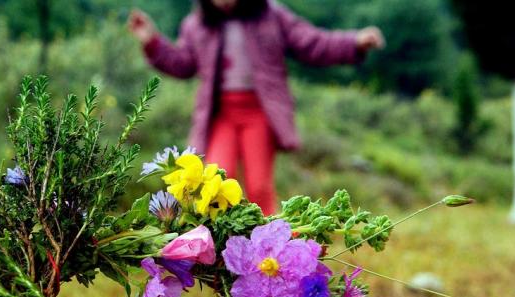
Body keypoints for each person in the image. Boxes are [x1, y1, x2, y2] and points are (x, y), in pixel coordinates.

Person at [128, 0, 384, 214]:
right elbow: (183, 63)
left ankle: (264, 249)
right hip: (220, 114)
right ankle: (218, 252)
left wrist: (354, 42)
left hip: (259, 112)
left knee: (259, 186)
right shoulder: (197, 25)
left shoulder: (272, 15)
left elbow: (312, 42)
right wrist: (152, 42)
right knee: (215, 179)